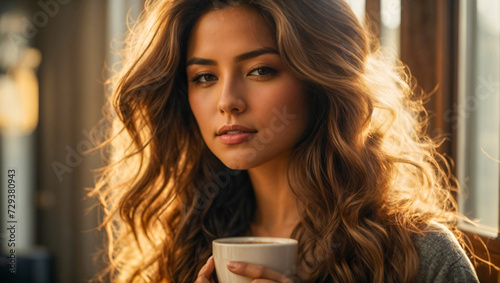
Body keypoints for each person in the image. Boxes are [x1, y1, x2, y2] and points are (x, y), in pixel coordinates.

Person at [90, 0, 480, 282]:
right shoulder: (178, 240)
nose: (227, 101)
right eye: (204, 77)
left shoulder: (419, 253)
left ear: (319, 79)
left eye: (260, 70)